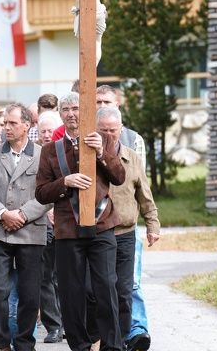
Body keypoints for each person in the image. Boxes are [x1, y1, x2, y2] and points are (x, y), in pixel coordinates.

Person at [35, 92, 126, 351]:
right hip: (67, 229)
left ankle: (113, 346)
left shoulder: (103, 139)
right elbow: (41, 193)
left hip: (102, 225)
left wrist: (101, 153)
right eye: (66, 109)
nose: (72, 113)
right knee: (71, 292)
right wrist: (64, 182)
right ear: (61, 114)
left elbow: (119, 177)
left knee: (107, 288)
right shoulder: (51, 150)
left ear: (85, 111)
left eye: (76, 108)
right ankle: (80, 346)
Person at [0, 103, 51, 351]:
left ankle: (24, 343)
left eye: (12, 123)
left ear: (27, 125)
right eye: (4, 123)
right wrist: (3, 213)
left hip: (31, 231)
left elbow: (47, 195)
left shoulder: (43, 155)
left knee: (30, 294)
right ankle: (0, 343)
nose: (6, 127)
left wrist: (21, 214)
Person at [96, 107, 159, 351]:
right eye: (104, 130)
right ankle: (102, 340)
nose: (109, 135)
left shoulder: (131, 157)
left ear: (121, 130)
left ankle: (119, 341)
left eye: (113, 130)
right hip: (99, 234)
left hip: (125, 234)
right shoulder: (88, 156)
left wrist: (152, 225)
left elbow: (145, 194)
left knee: (123, 290)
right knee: (99, 290)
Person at [34, 109, 65, 343]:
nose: (47, 134)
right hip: (41, 223)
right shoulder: (35, 154)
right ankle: (53, 325)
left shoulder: (65, 152)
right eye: (43, 130)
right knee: (45, 277)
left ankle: (69, 322)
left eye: (50, 130)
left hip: (65, 223)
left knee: (64, 276)